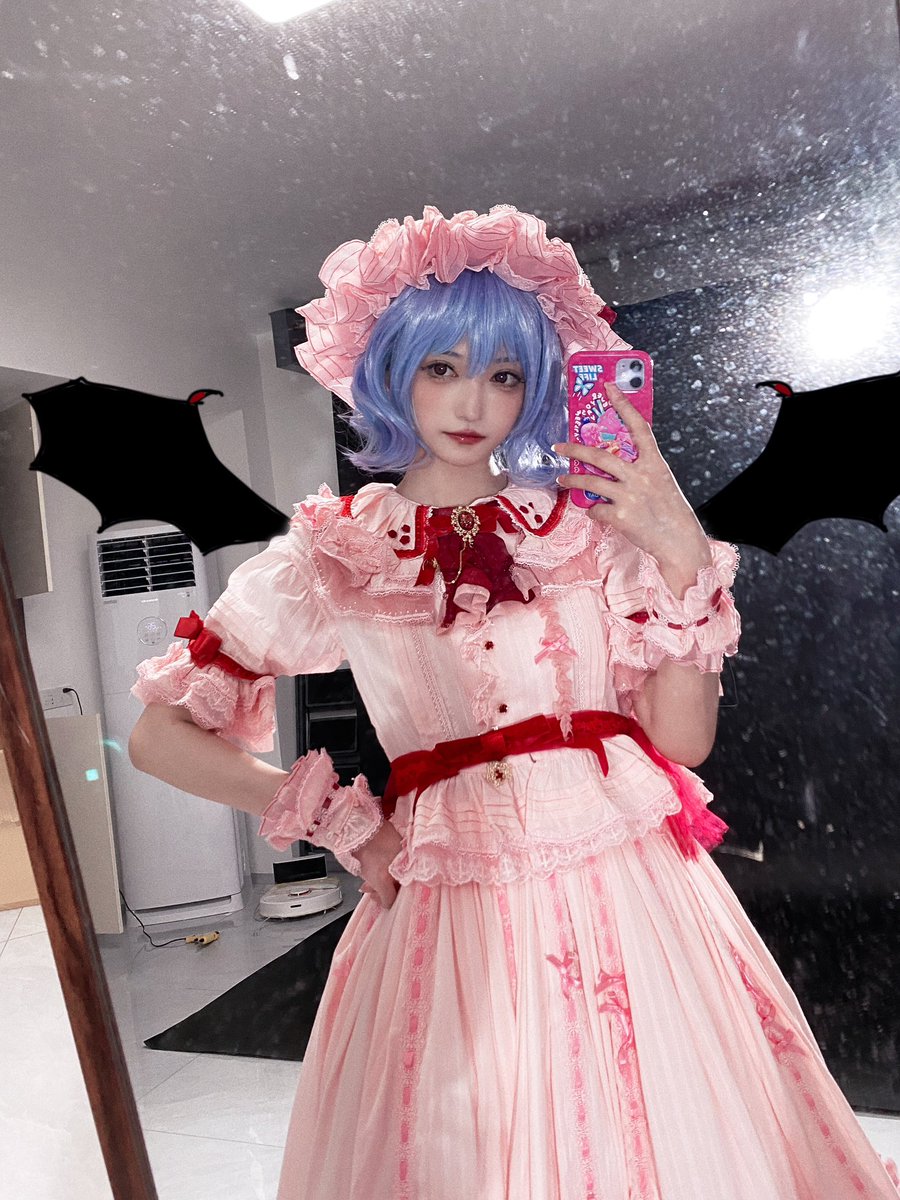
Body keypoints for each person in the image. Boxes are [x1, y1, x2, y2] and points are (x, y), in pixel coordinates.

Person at [129, 206, 900, 1200]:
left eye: (504, 374)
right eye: (441, 366)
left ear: (536, 386)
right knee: (471, 1151)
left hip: (626, 887)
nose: (473, 401)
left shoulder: (589, 530)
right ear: (391, 370)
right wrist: (342, 823)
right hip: (448, 904)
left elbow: (681, 740)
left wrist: (676, 544)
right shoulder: (337, 552)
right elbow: (159, 736)